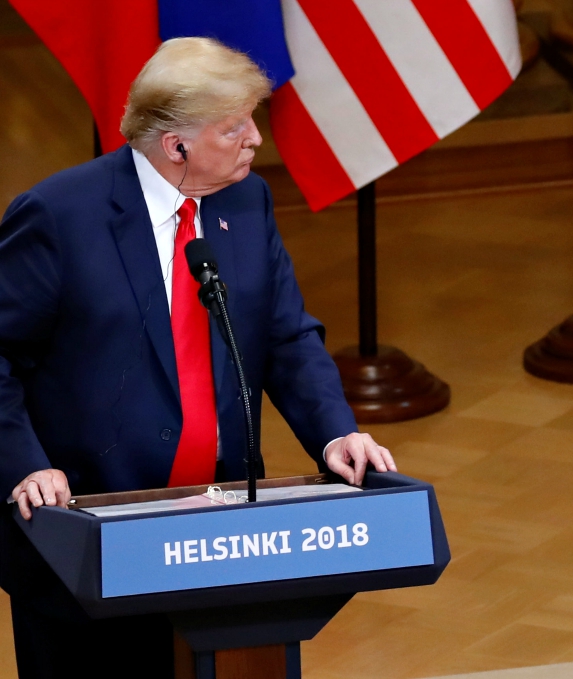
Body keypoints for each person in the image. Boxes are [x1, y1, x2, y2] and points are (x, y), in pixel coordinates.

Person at [0, 38, 395, 677]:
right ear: (176, 145)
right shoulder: (59, 216)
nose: (256, 140)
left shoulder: (247, 201)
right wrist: (25, 466)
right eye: (235, 127)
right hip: (92, 536)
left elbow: (287, 336)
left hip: (223, 533)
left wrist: (334, 433)